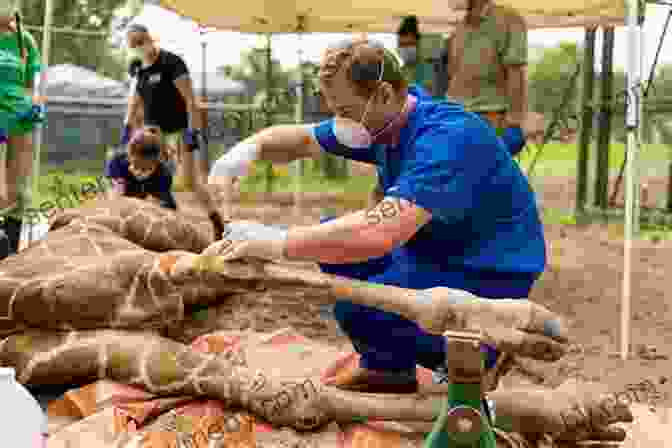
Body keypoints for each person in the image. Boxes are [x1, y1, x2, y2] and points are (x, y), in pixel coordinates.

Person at [207, 37, 547, 393]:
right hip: (438, 250)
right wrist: (245, 151)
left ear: (384, 94)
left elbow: (380, 231)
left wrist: (275, 242)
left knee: (359, 310)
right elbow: (301, 140)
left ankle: (482, 354)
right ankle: (388, 369)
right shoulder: (390, 118)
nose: (341, 122)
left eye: (347, 111)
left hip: (487, 273)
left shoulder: (446, 139)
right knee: (334, 249)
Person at [122, 23, 226, 236]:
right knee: (141, 171)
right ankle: (142, 223)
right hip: (154, 132)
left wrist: (192, 132)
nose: (140, 47)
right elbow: (134, 105)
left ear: (150, 38)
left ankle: (217, 220)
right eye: (134, 44)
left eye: (142, 41)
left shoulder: (172, 62)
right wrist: (127, 130)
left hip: (180, 128)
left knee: (190, 181)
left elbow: (190, 101)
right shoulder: (139, 71)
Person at [444, 0, 535, 156]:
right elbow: (453, 79)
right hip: (456, 120)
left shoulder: (508, 20)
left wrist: (514, 123)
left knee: (484, 177)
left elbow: (516, 73)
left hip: (490, 121)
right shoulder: (459, 29)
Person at [0, 4, 44, 256]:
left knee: (18, 191)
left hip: (19, 116)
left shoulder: (24, 39)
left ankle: (10, 252)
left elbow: (32, 82)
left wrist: (33, 103)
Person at [105, 126, 178, 210]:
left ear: (156, 161)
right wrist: (117, 189)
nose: (140, 172)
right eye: (136, 165)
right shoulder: (117, 162)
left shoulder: (163, 174)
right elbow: (114, 195)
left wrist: (156, 203)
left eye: (145, 168)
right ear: (129, 156)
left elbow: (168, 206)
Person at [396, 16, 436, 101]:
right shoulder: (400, 71)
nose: (405, 49)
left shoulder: (427, 70)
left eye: (409, 44)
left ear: (418, 45)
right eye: (402, 45)